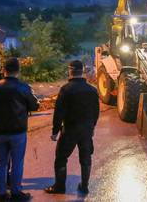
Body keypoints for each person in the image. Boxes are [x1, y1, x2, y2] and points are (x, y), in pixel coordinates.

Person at [0, 57, 39, 201]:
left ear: (3, 70)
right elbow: (35, 105)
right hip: (17, 131)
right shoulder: (23, 87)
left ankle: (1, 194)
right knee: (17, 162)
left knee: (1, 163)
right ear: (18, 70)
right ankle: (16, 192)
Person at [45, 60, 99, 195]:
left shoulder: (66, 89)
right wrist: (92, 127)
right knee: (86, 158)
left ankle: (60, 187)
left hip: (70, 130)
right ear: (83, 72)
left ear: (70, 71)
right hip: (86, 130)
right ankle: (84, 186)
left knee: (61, 157)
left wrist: (55, 131)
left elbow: (59, 112)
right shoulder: (92, 90)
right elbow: (96, 112)